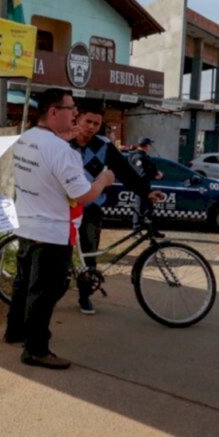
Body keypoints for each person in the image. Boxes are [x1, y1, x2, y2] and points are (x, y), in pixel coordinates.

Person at [4, 88, 115, 369]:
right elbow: (82, 194)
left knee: (24, 285)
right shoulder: (61, 150)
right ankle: (36, 349)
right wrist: (103, 180)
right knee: (46, 292)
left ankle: (15, 331)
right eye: (70, 109)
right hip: (52, 231)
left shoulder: (26, 138)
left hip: (27, 225)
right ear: (53, 112)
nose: (75, 114)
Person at [68, 104, 162, 315]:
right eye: (88, 121)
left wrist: (146, 191)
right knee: (60, 251)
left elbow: (125, 171)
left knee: (89, 252)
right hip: (63, 208)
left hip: (91, 207)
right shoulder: (64, 142)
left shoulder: (104, 145)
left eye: (96, 124)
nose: (91, 127)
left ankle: (84, 296)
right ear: (78, 119)